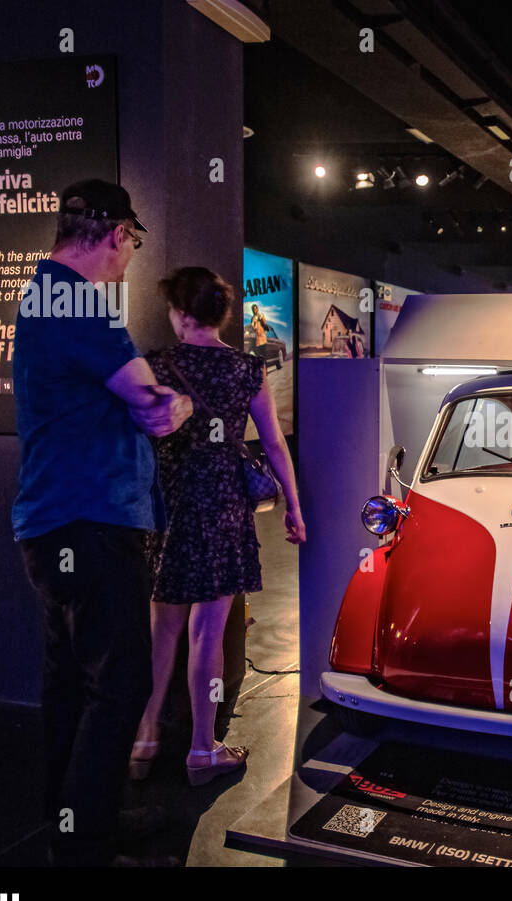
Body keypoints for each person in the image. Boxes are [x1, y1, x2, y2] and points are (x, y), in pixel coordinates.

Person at [13, 179, 192, 866]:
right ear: (117, 233)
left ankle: (80, 820)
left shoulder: (42, 296)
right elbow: (153, 405)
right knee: (120, 683)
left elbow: (133, 395)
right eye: (133, 243)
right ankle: (84, 843)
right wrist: (168, 402)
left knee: (70, 683)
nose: (131, 258)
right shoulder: (80, 305)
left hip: (52, 522)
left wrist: (149, 397)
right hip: (90, 521)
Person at [129, 267, 304, 787]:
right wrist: (294, 506)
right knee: (208, 633)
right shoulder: (246, 369)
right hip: (225, 506)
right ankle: (202, 751)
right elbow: (272, 442)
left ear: (182, 315)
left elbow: (137, 437)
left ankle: (144, 739)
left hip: (170, 504)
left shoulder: (157, 363)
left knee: (161, 629)